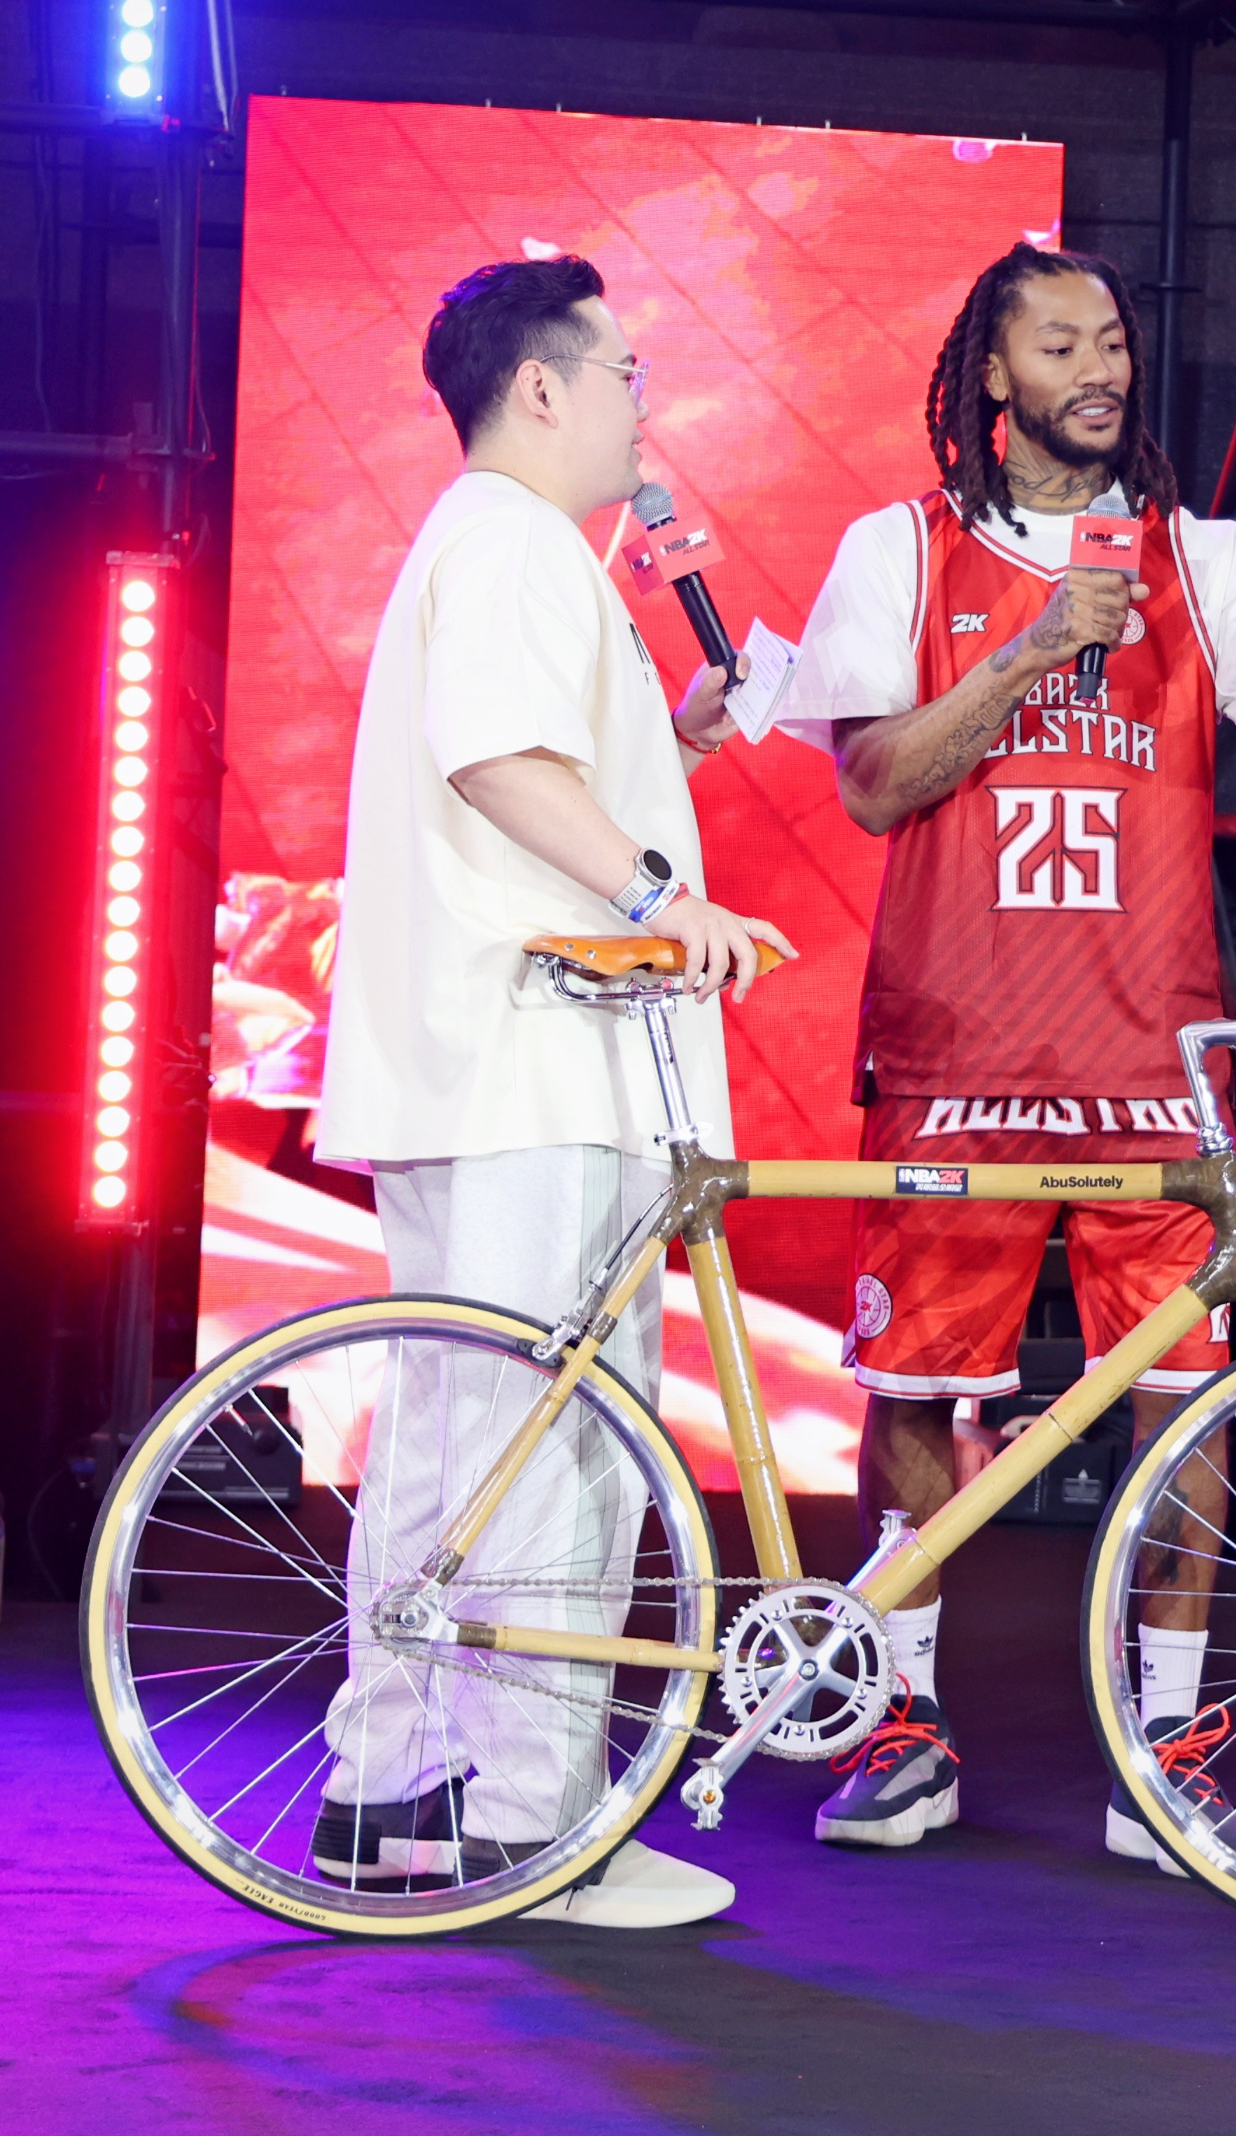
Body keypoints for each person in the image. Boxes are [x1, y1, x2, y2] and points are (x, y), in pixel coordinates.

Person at [778, 241, 1236, 1866]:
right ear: (992, 377)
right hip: (955, 1051)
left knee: (1185, 1410)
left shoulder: (1203, 554)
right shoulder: (896, 549)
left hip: (1149, 1065)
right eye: (1061, 343)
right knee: (918, 1394)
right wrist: (1035, 647)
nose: (1100, 367)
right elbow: (873, 786)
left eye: (1113, 338)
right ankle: (902, 1726)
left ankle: (1164, 1747)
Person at [308, 255, 791, 1933]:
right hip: (536, 1060)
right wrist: (667, 896)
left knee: (462, 1436)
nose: (645, 407)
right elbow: (498, 761)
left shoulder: (494, 544)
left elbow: (519, 762)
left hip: (484, 1062)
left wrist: (676, 740)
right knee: (554, 1438)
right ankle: (536, 1824)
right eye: (627, 373)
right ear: (540, 386)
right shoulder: (513, 538)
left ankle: (392, 1791)